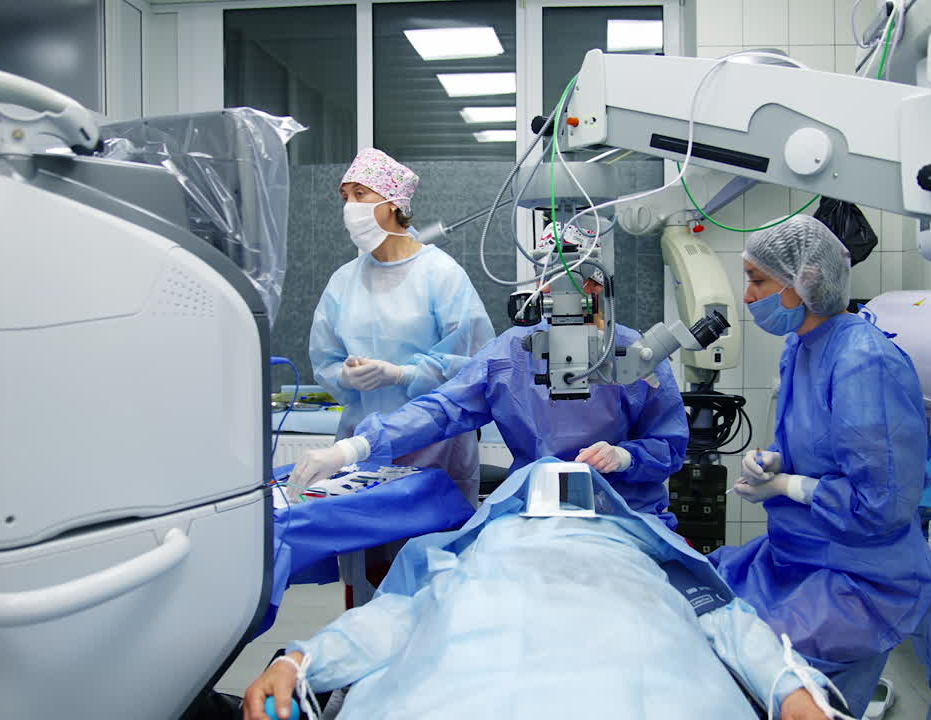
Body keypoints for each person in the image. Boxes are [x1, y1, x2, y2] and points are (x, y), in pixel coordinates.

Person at [245, 460, 837, 720]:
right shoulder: (474, 551)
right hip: (484, 634)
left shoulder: (639, 550)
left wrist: (794, 693)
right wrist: (298, 663)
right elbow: (392, 619)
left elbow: (732, 624)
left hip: (623, 615)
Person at [710, 215, 931, 718]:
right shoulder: (801, 346)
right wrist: (771, 462)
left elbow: (881, 505)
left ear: (804, 282)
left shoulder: (863, 362)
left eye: (757, 280)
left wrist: (788, 486)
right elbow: (813, 442)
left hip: (857, 578)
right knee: (708, 609)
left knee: (769, 680)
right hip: (798, 558)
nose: (747, 297)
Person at [290, 277, 689, 528]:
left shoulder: (632, 352)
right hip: (531, 516)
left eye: (578, 287)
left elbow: (669, 444)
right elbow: (444, 408)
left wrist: (624, 457)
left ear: (598, 289)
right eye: (551, 287)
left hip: (625, 516)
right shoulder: (514, 352)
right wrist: (352, 448)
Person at [306, 148, 494, 503]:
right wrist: (344, 376)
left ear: (394, 202)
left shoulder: (441, 274)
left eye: (360, 194)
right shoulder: (343, 281)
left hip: (436, 447)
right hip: (361, 450)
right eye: (345, 196)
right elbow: (325, 359)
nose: (350, 206)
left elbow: (477, 368)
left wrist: (403, 375)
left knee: (426, 551)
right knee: (365, 552)